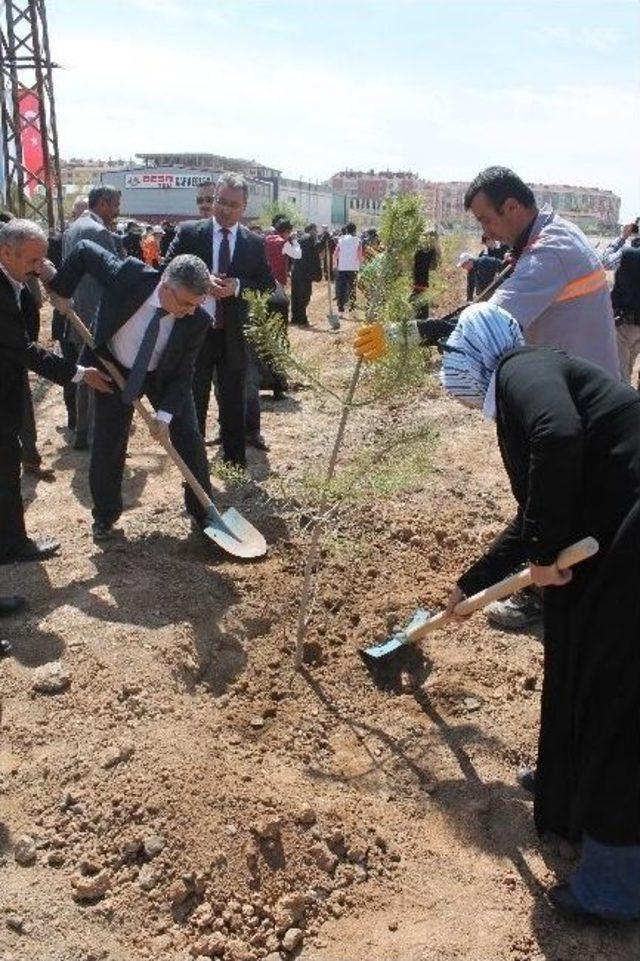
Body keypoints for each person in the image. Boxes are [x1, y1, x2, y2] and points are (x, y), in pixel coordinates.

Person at [356, 302, 640, 922]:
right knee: (570, 655)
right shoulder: (534, 380)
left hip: (628, 533)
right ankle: (565, 796)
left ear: (475, 358)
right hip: (609, 530)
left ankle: (616, 887)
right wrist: (470, 584)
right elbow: (530, 510)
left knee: (616, 690)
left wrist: (542, 553)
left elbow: (559, 438)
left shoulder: (522, 368)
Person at [47, 241, 215, 540]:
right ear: (165, 286)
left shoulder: (197, 320)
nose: (190, 312)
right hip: (111, 366)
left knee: (188, 436)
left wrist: (163, 417)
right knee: (109, 440)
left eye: (197, 305)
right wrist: (61, 290)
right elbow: (85, 250)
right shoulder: (130, 276)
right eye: (186, 303)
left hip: (162, 376)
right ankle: (105, 516)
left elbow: (183, 373)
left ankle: (204, 514)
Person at [0, 220, 111, 564]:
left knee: (6, 466)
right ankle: (13, 544)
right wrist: (78, 373)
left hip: (8, 383)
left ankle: (10, 542)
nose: (38, 268)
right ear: (5, 252)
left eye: (42, 260)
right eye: (32, 261)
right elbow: (24, 348)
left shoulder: (14, 280)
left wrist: (48, 277)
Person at [164, 171, 274, 468]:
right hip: (194, 334)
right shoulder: (190, 233)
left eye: (233, 204)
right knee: (192, 402)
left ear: (244, 206)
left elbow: (266, 284)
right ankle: (193, 463)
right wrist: (197, 283)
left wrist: (237, 286)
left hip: (233, 335)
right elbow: (167, 271)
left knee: (233, 402)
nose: (225, 209)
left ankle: (235, 462)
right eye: (220, 202)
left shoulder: (253, 242)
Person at [63, 184, 123, 450]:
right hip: (96, 314)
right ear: (102, 204)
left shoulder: (73, 227)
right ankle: (94, 434)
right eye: (115, 205)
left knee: (82, 372)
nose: (117, 211)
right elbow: (114, 276)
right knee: (97, 373)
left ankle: (82, 430)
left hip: (76, 311)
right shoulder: (98, 231)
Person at [610, 243, 640, 384]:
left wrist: (622, 239)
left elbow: (605, 261)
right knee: (630, 363)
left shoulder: (626, 253)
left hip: (625, 324)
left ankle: (627, 402)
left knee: (621, 373)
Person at [290, 223, 322, 326]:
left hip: (297, 271)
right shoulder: (309, 238)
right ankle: (302, 319)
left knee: (296, 296)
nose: (316, 232)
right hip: (304, 273)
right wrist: (325, 237)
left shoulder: (301, 238)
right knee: (304, 296)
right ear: (311, 230)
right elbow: (318, 248)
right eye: (315, 230)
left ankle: (295, 318)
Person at [333, 222, 362, 315]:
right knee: (352, 289)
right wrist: (359, 265)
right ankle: (352, 309)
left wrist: (335, 264)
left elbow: (335, 254)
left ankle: (340, 310)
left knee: (342, 288)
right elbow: (360, 255)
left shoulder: (341, 240)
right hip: (353, 268)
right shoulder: (358, 240)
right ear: (354, 230)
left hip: (342, 268)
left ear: (346, 230)